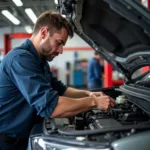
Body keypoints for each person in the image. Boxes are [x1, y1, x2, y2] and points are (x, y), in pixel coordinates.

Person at [0, 11, 115, 149]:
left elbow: (62, 90)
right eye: (59, 42)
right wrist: (94, 102)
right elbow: (52, 106)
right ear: (43, 33)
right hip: (7, 143)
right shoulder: (20, 59)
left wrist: (89, 94)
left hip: (24, 137)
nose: (61, 51)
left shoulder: (40, 62)